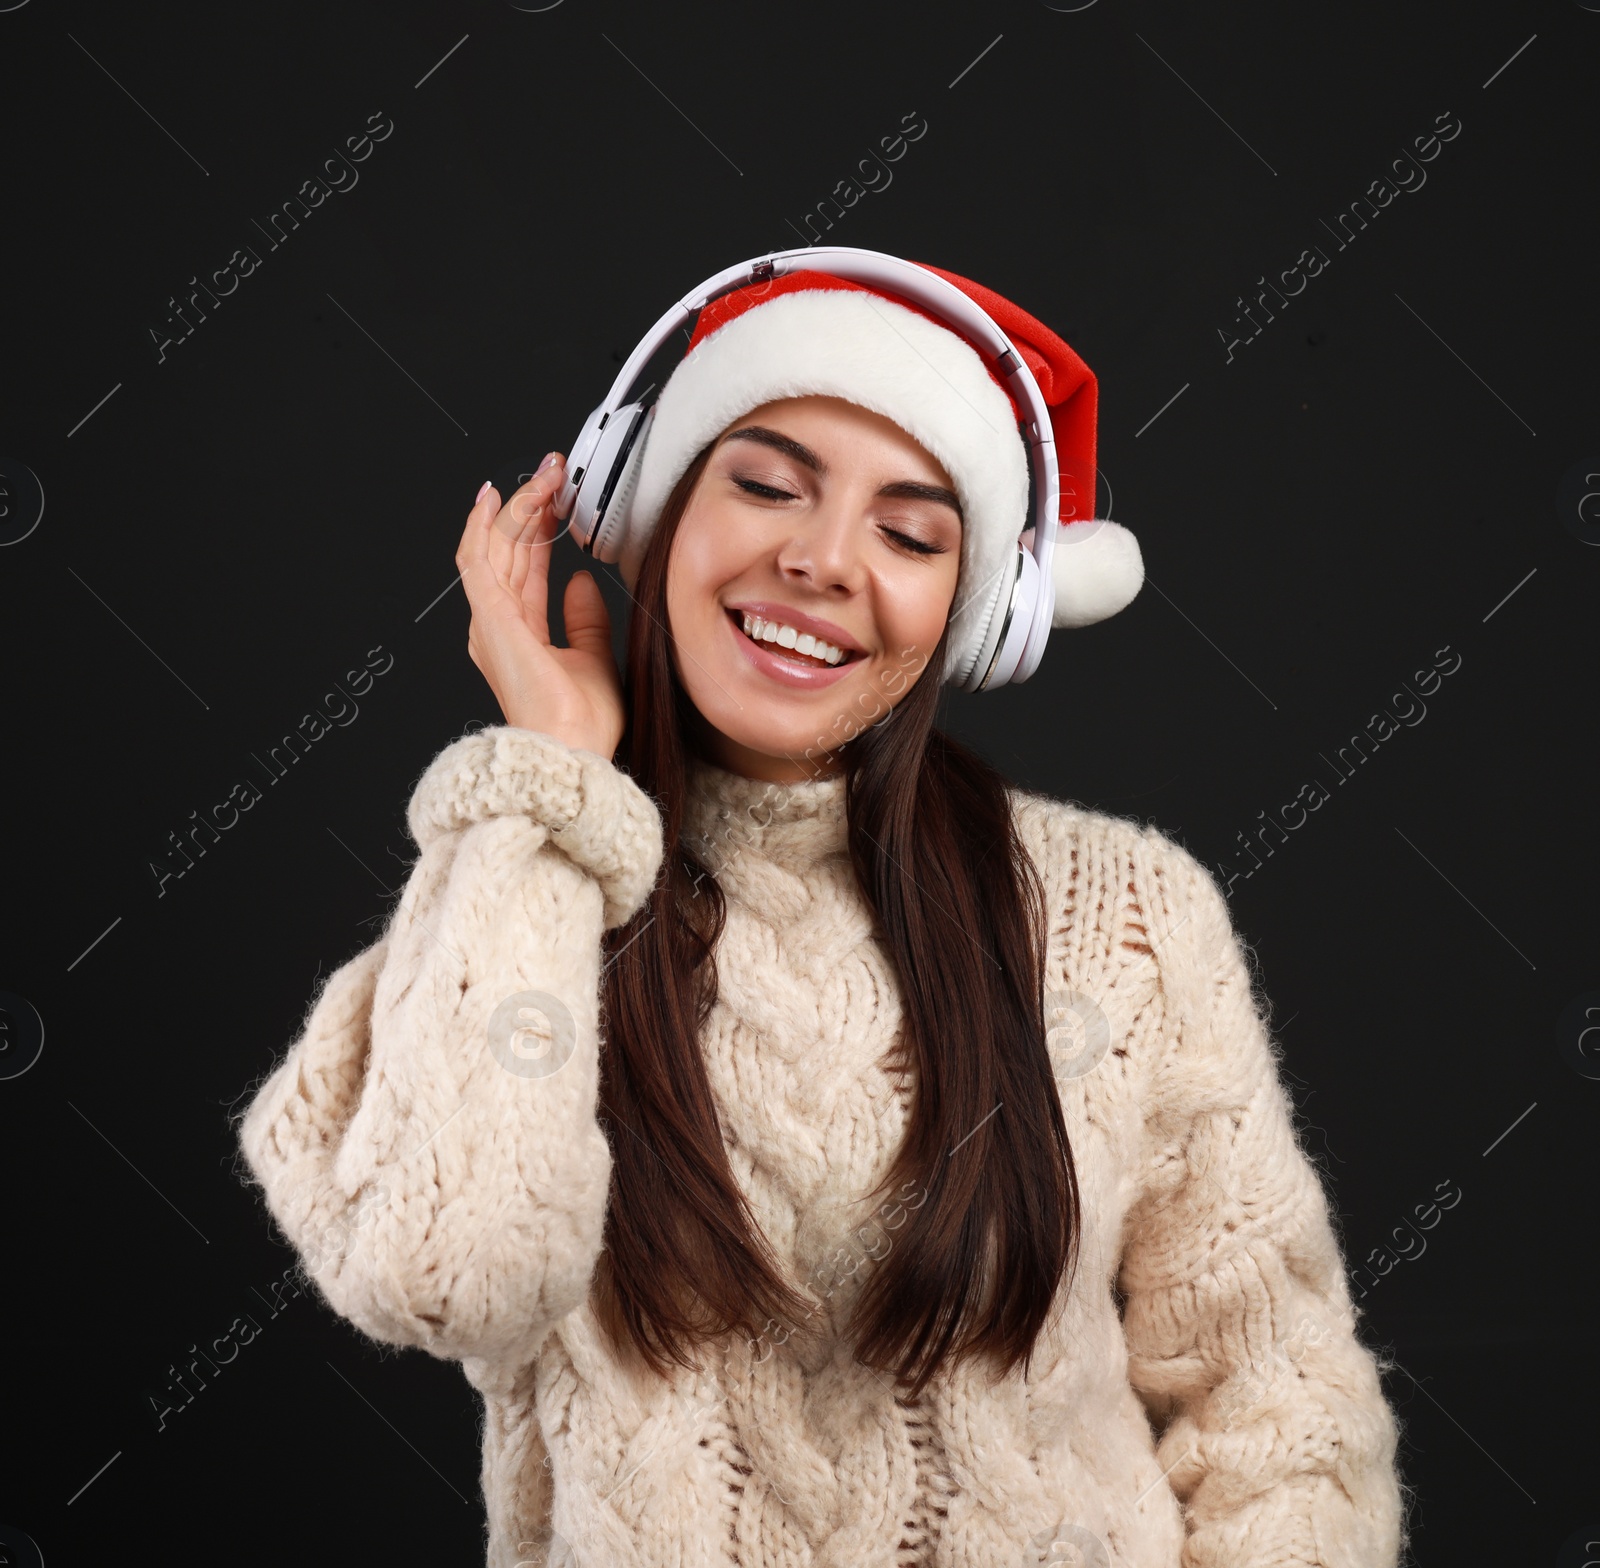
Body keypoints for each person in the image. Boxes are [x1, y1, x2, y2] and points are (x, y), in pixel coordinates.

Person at [236, 262, 1410, 1567]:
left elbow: (1282, 1408)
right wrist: (554, 784)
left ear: (975, 616)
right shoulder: (513, 899)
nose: (820, 559)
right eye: (766, 484)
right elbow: (449, 1273)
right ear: (652, 515)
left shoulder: (1122, 915)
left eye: (910, 535)